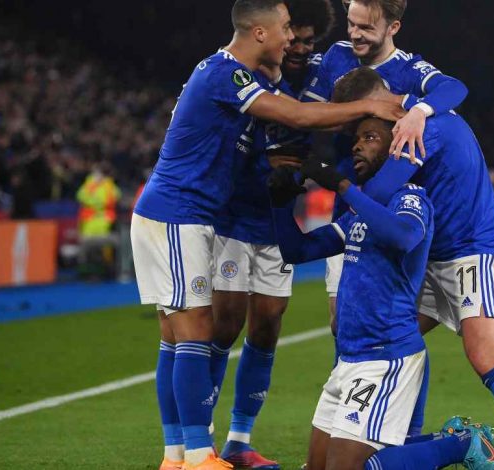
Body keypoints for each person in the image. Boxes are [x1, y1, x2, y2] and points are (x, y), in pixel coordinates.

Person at [130, 1, 405, 469]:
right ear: (259, 32)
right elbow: (295, 116)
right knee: (193, 330)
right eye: (283, 30)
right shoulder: (229, 74)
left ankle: (181, 456)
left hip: (192, 215)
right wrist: (370, 105)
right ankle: (196, 456)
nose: (291, 39)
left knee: (181, 334)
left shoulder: (245, 74)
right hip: (179, 212)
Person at [329, 67, 494, 470]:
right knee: (396, 336)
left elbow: (379, 192)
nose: (357, 132)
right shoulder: (414, 115)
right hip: (434, 254)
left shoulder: (420, 127)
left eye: (361, 119)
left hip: (472, 250)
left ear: (379, 101)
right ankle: (412, 441)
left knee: (484, 354)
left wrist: (343, 189)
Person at [266, 116, 494, 470]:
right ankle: (445, 442)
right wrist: (280, 203)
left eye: (370, 137)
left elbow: (404, 236)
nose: (357, 145)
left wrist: (344, 187)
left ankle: (462, 444)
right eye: (356, 139)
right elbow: (298, 251)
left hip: (385, 356)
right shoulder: (358, 213)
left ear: (394, 149)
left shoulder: (411, 198)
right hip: (349, 358)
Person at [208, 1, 336, 468]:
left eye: (308, 41)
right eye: (294, 38)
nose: (300, 49)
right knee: (224, 324)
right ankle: (201, 439)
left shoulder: (321, 72)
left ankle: (239, 440)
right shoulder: (248, 68)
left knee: (267, 324)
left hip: (278, 216)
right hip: (234, 215)